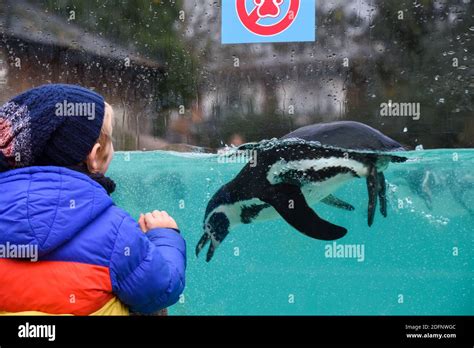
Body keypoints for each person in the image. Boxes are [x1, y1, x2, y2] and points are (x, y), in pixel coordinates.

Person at [0, 84, 186, 315]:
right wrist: (165, 236)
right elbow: (162, 288)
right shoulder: (116, 230)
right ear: (95, 155)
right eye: (111, 138)